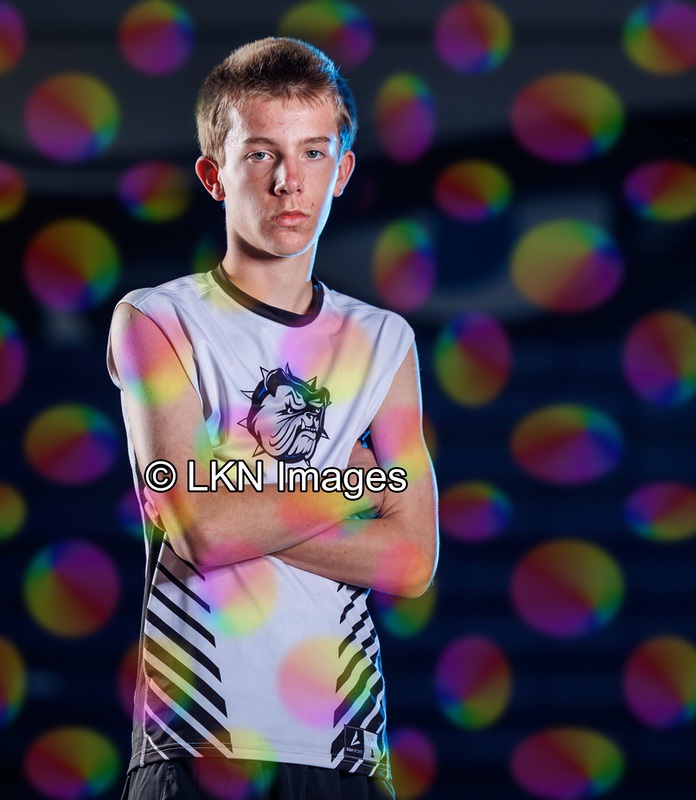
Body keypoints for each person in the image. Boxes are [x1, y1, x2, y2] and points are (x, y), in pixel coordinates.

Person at [107, 36, 438, 800]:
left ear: (341, 170)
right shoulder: (156, 320)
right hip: (198, 743)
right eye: (260, 154)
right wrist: (355, 488)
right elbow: (201, 531)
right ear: (214, 175)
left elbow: (412, 560)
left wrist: (249, 498)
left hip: (347, 750)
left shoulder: (383, 340)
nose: (290, 180)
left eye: (313, 152)